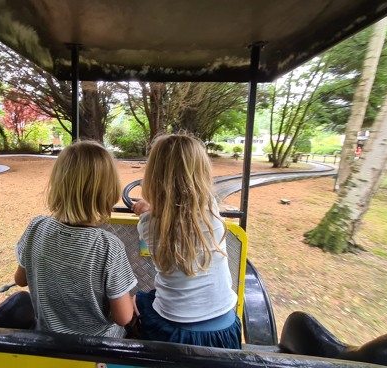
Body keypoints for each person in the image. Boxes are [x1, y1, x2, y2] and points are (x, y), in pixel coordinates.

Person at [14, 140, 137, 337]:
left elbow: (20, 280)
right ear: (107, 190)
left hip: (48, 338)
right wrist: (131, 302)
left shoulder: (36, 227)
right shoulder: (109, 246)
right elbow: (123, 318)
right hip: (96, 347)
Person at [132, 133, 242, 349]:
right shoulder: (212, 211)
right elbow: (184, 208)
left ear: (154, 174)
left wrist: (146, 207)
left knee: (138, 300)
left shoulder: (148, 223)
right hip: (226, 330)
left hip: (173, 332)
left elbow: (167, 214)